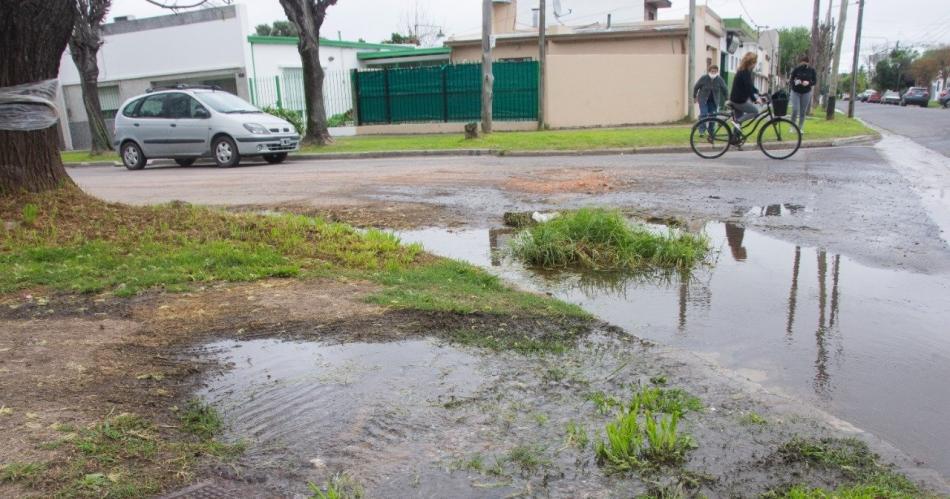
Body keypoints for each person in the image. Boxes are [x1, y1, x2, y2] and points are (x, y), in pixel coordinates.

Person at [692, 64, 728, 137]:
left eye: (715, 71)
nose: (713, 73)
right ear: (709, 71)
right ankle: (702, 131)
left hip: (714, 101)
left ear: (717, 72)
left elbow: (725, 89)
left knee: (713, 117)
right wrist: (694, 96)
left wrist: (727, 99)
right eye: (712, 71)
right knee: (704, 114)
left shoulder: (719, 79)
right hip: (703, 100)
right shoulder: (704, 78)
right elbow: (696, 87)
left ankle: (711, 132)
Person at [729, 52, 763, 126]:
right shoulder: (745, 72)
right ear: (751, 63)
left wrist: (758, 92)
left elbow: (750, 86)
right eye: (755, 62)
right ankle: (736, 122)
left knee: (738, 124)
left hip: (736, 99)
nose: (755, 65)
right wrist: (754, 99)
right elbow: (748, 88)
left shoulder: (743, 71)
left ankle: (734, 136)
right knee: (755, 111)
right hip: (739, 101)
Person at [789, 55, 817, 134]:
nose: (803, 65)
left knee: (803, 111)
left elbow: (815, 81)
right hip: (795, 91)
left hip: (806, 92)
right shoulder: (796, 69)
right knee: (795, 109)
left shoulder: (812, 70)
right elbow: (791, 79)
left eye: (805, 63)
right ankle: (792, 126)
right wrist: (796, 82)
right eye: (802, 63)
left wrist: (809, 83)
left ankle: (800, 127)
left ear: (808, 63)